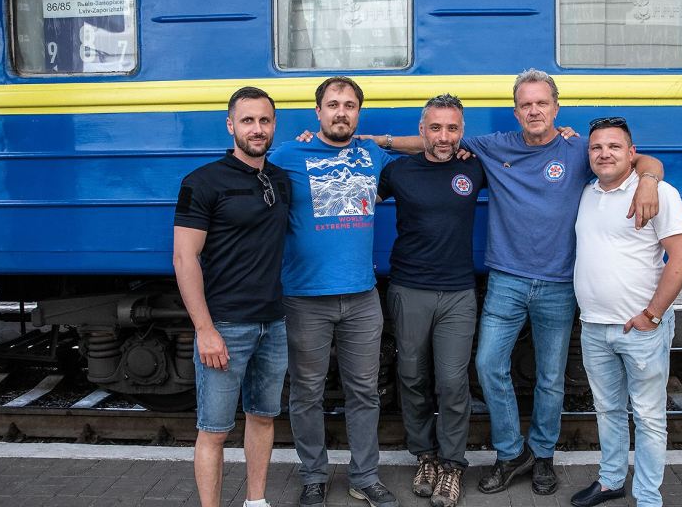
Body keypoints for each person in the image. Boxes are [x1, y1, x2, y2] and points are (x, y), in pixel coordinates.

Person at [368, 68, 664, 496]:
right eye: (526, 104)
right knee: (488, 365)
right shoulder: (494, 146)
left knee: (550, 376)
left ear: (556, 107)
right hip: (506, 279)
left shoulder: (580, 148)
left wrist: (650, 180)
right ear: (516, 110)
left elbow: (641, 160)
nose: (534, 110)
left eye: (542, 103)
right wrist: (381, 142)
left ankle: (542, 454)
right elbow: (437, 144)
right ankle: (511, 453)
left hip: (559, 283)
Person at [268, 77, 398, 507]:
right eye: (332, 105)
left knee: (365, 391)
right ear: (317, 111)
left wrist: (379, 137)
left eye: (349, 106)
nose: (341, 112)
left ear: (358, 113)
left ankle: (364, 476)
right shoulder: (287, 155)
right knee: (307, 392)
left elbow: (428, 143)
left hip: (362, 296)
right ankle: (313, 476)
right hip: (305, 298)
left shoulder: (370, 153)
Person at [173, 86, 291, 507]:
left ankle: (255, 501)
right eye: (247, 121)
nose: (256, 129)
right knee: (215, 429)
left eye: (264, 120)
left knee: (262, 418)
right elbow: (185, 258)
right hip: (225, 325)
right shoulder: (201, 182)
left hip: (274, 324)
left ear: (274, 125)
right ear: (231, 125)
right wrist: (204, 330)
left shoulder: (278, 179)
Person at [569, 117, 682, 507]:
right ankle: (610, 482)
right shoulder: (588, 193)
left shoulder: (659, 192)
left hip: (641, 329)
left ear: (632, 153)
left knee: (648, 416)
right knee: (607, 410)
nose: (604, 153)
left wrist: (652, 316)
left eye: (614, 147)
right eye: (596, 148)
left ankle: (647, 497)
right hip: (594, 326)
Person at [377, 94, 485, 507]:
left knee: (454, 383)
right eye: (434, 128)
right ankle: (425, 457)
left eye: (452, 128)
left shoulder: (473, 166)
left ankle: (452, 465)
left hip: (458, 292)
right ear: (421, 130)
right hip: (408, 289)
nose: (443, 136)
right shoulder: (399, 171)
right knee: (411, 377)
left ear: (462, 131)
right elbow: (353, 200)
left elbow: (526, 157)